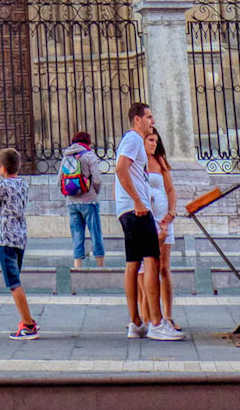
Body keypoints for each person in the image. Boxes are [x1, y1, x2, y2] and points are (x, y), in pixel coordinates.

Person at [114, 102, 183, 342]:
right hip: (137, 211)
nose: (152, 121)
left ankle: (135, 322)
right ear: (137, 119)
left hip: (126, 211)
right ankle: (156, 323)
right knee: (152, 260)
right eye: (149, 117)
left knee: (133, 263)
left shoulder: (131, 141)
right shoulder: (133, 139)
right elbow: (120, 169)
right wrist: (138, 201)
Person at [0, 146, 38, 340]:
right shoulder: (23, 184)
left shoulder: (2, 186)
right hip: (21, 237)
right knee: (16, 279)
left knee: (14, 284)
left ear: (2, 168)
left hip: (6, 238)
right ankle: (28, 319)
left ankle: (28, 325)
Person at [143, 126, 180, 330]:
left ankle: (167, 315)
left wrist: (171, 213)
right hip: (145, 221)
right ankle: (147, 314)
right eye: (150, 140)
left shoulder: (160, 161)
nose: (154, 144)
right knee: (146, 268)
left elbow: (170, 189)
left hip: (163, 220)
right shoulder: (136, 162)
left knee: (164, 267)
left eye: (156, 140)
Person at [58, 129, 104, 270]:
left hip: (72, 202)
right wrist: (95, 191)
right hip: (89, 201)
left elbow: (59, 179)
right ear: (88, 142)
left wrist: (68, 194)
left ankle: (77, 268)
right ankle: (100, 267)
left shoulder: (66, 157)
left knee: (77, 236)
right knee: (95, 233)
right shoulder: (89, 156)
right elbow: (96, 179)